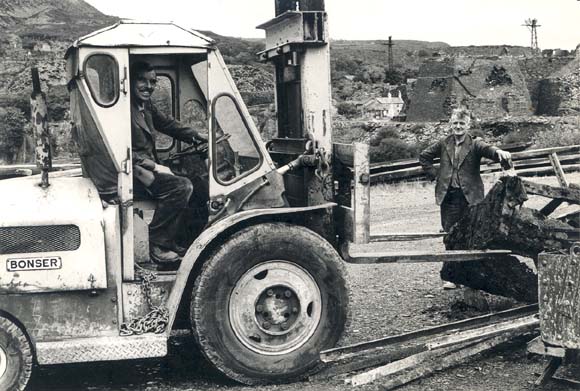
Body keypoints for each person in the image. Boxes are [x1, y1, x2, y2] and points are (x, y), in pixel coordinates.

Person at [419, 107, 511, 289]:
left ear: (468, 125)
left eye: (462, 123)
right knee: (450, 236)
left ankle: (472, 278)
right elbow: (424, 157)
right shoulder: (443, 143)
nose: (458, 127)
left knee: (473, 235)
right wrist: (437, 175)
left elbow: (488, 149)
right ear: (450, 124)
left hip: (471, 198)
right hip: (449, 197)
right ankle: (452, 278)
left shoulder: (475, 143)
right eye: (455, 123)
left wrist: (499, 152)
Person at [131, 61, 207, 266]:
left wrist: (197, 136)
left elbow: (167, 124)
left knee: (200, 184)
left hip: (145, 168)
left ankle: (179, 240)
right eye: (142, 81)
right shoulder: (123, 110)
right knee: (181, 187)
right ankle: (157, 243)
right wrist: (155, 166)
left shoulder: (145, 106)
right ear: (129, 80)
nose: (148, 86)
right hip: (133, 173)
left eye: (153, 82)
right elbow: (123, 152)